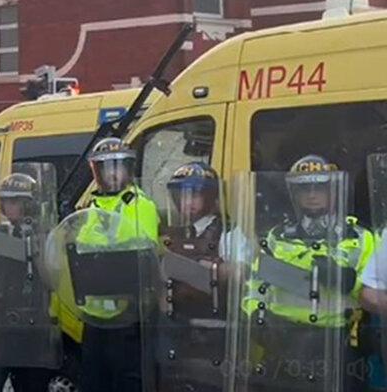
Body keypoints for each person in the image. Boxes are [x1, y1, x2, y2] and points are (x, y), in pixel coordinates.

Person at [241, 155, 374, 391]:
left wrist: (348, 280)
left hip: (335, 344)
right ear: (294, 194)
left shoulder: (360, 238)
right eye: (304, 189)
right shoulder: (277, 236)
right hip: (282, 342)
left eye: (319, 188)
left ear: (333, 191)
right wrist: (255, 318)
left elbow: (375, 291)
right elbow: (255, 286)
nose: (312, 195)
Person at [75, 137, 159, 392]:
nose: (112, 174)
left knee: (128, 382)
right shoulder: (89, 207)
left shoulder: (140, 205)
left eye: (118, 167)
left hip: (128, 314)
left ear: (128, 169)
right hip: (94, 315)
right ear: (96, 171)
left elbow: (142, 253)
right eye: (106, 168)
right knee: (92, 382)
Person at [0, 172, 58, 392]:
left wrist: (35, 252)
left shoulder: (47, 234)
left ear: (29, 204)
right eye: (5, 201)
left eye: (14, 201)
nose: (8, 207)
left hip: (36, 325)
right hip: (6, 322)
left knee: (32, 385)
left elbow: (54, 281)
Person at [155, 161, 227, 392]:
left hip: (212, 328)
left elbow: (241, 274)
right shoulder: (173, 234)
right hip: (176, 327)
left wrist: (202, 266)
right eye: (183, 195)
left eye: (195, 195)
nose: (188, 202)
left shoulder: (228, 232)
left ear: (212, 197)